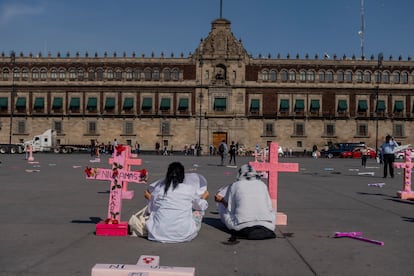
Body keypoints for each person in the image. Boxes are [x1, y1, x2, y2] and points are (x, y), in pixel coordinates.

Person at [144, 162, 209, 243]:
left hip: (157, 233)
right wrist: (204, 198)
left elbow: (150, 210)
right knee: (198, 210)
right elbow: (201, 206)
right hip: (184, 234)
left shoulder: (159, 188)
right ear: (183, 176)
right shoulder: (189, 189)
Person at [214, 164, 276, 240]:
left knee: (226, 213)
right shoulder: (262, 185)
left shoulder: (235, 185)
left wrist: (222, 201)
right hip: (268, 226)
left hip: (242, 227)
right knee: (273, 210)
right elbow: (269, 208)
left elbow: (231, 209)